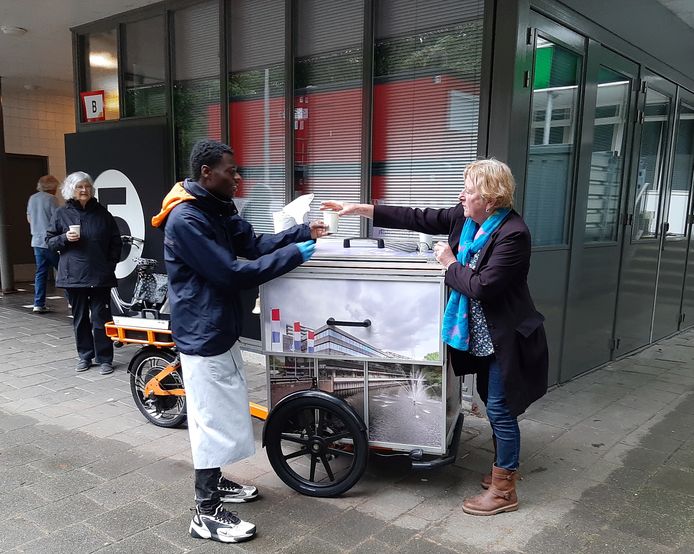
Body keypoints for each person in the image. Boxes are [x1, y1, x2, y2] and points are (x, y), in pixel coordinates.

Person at [321, 158, 549, 516]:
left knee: (502, 411)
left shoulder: (513, 234)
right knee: (493, 405)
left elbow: (482, 288)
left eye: (469, 191)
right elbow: (415, 216)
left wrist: (448, 262)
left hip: (506, 339)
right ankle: (503, 468)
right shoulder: (466, 219)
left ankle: (505, 490)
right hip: (484, 338)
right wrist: (358, 208)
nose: (461, 196)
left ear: (489, 199)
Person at [151, 139, 328, 544]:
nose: (238, 177)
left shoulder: (216, 206)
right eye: (230, 171)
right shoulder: (185, 220)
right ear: (206, 173)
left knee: (226, 410)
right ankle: (205, 511)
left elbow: (250, 245)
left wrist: (300, 232)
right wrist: (295, 256)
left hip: (219, 325)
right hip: (202, 331)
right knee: (211, 419)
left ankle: (217, 481)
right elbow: (229, 272)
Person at [46, 172, 122, 375]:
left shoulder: (102, 214)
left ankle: (105, 358)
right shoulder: (61, 214)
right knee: (80, 319)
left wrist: (110, 264)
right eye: (79, 187)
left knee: (101, 318)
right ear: (71, 190)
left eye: (87, 186)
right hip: (73, 275)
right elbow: (50, 242)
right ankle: (85, 356)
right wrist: (64, 237)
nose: (84, 190)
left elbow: (116, 241)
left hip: (100, 275)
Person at [26, 175, 61, 313]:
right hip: (50, 241)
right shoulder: (52, 199)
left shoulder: (32, 198)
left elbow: (29, 218)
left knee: (40, 273)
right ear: (52, 187)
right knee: (64, 271)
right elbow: (57, 219)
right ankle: (72, 301)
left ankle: (38, 303)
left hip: (36, 241)